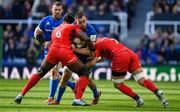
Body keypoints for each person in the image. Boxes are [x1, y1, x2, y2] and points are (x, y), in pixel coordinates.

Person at [14, 14, 95, 106]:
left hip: (52, 51)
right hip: (65, 52)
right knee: (84, 72)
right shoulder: (72, 27)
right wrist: (93, 49)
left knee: (40, 72)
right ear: (72, 22)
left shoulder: (56, 29)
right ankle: (77, 99)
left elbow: (50, 40)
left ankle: (21, 94)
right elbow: (86, 38)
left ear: (63, 21)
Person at [77, 37, 168, 107]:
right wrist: (96, 60)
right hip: (130, 53)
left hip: (120, 56)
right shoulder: (102, 40)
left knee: (117, 84)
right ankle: (157, 91)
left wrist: (80, 68)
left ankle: (138, 99)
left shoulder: (96, 45)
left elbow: (93, 62)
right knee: (141, 79)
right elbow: (102, 58)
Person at [49, 12, 101, 105]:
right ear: (76, 22)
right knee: (65, 75)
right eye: (80, 22)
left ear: (86, 20)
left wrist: (75, 49)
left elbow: (90, 51)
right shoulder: (70, 28)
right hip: (73, 57)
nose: (83, 24)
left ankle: (96, 94)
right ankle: (57, 100)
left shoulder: (91, 31)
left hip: (85, 58)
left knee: (88, 80)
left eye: (84, 21)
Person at [33, 1, 75, 104]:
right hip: (49, 51)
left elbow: (72, 35)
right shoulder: (45, 21)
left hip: (61, 51)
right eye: (55, 9)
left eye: (59, 10)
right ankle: (72, 85)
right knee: (52, 72)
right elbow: (36, 33)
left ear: (62, 11)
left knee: (54, 71)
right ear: (52, 10)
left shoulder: (65, 23)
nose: (57, 11)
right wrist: (44, 42)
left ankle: (51, 97)